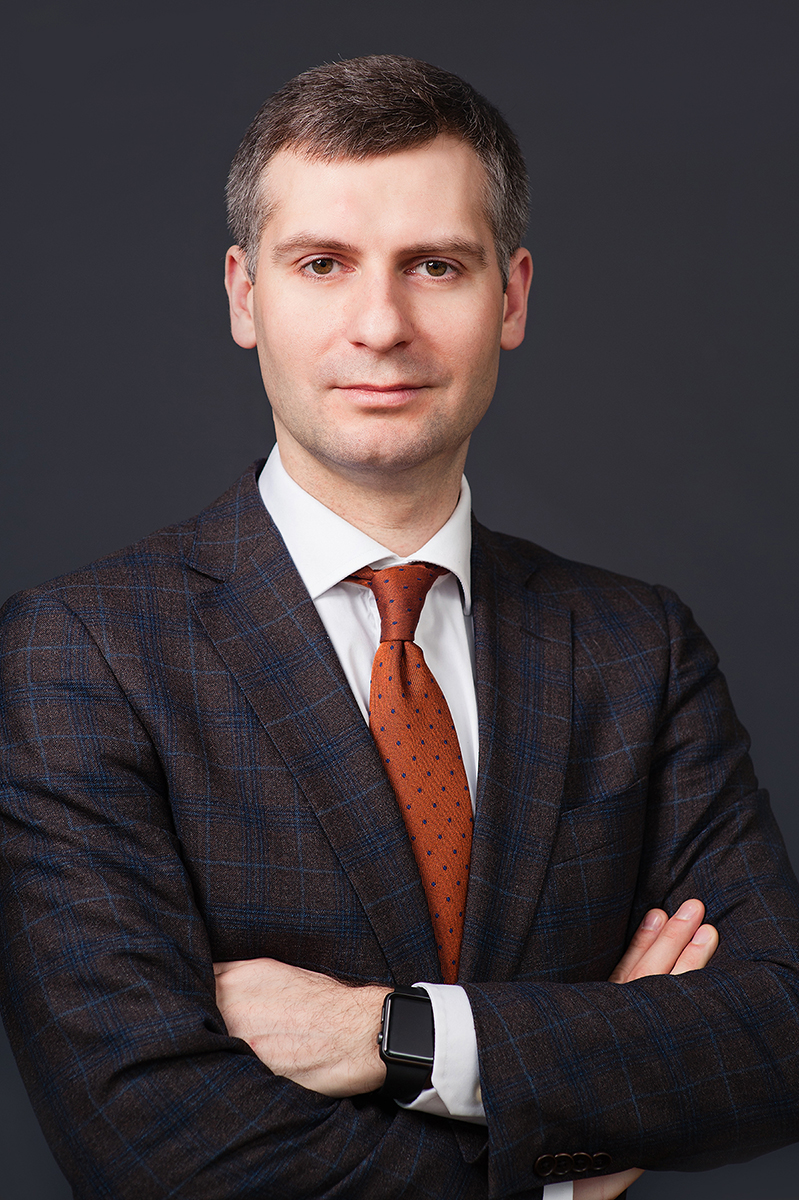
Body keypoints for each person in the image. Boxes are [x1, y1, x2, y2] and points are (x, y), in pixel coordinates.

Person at [0, 54, 797, 1200]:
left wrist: (397, 1035)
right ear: (244, 295)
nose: (381, 325)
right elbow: (145, 1142)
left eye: (435, 265)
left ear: (511, 297)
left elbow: (775, 1036)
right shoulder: (79, 655)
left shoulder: (638, 650)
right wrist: (559, 1164)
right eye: (322, 264)